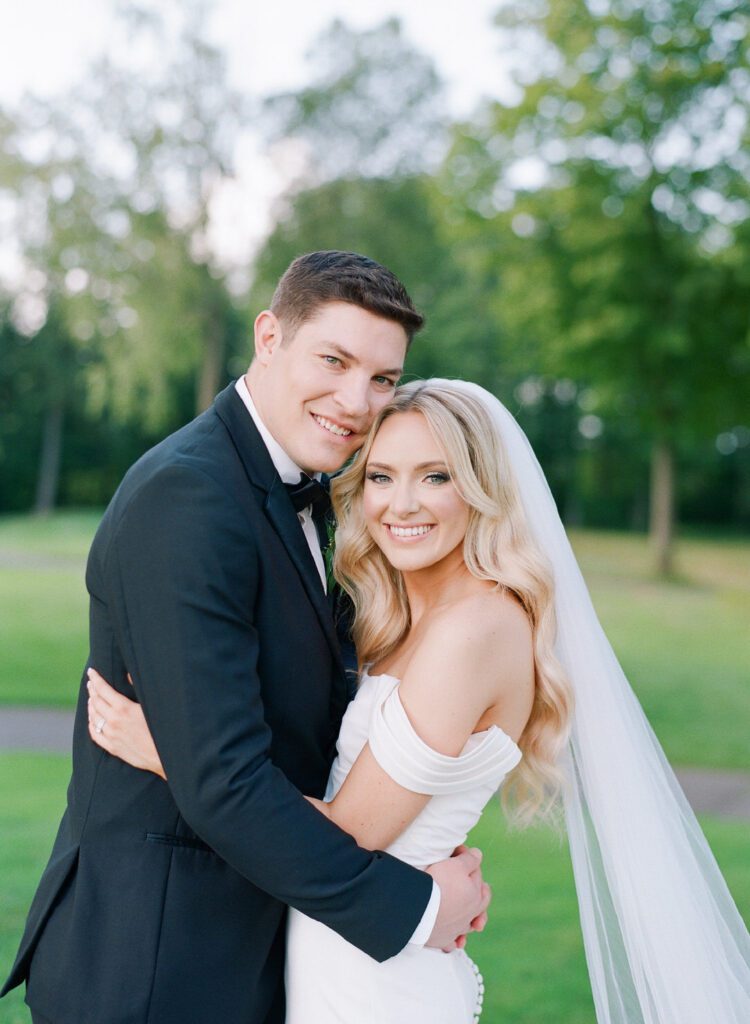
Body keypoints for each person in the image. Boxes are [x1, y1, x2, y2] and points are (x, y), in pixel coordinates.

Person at [88, 379, 750, 1023]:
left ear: (483, 490)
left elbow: (350, 833)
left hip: (381, 982)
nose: (402, 503)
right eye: (381, 476)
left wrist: (173, 751)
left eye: (436, 477)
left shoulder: (475, 630)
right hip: (344, 950)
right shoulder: (399, 618)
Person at [1, 254, 491, 1024]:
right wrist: (418, 907)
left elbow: (297, 732)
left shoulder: (307, 493)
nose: (356, 401)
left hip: (250, 953)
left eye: (382, 379)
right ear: (269, 337)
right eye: (333, 360)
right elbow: (224, 783)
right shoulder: (189, 497)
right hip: (159, 967)